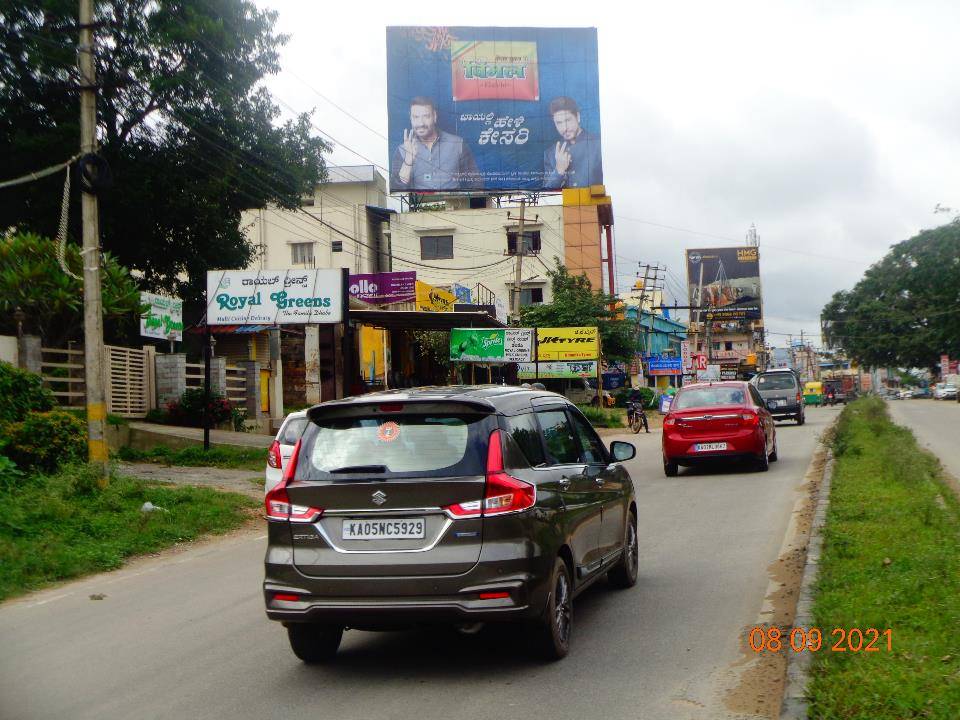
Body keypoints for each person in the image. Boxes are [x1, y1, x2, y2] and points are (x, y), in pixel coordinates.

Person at [391, 96, 480, 191]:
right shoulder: (402, 150)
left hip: (455, 204)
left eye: (426, 116)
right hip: (419, 205)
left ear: (435, 116)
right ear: (410, 119)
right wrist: (408, 162)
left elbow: (476, 182)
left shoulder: (458, 144)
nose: (421, 123)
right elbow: (396, 189)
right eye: (416, 117)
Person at [542, 96, 603, 189]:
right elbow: (546, 193)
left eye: (567, 120)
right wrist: (559, 171)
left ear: (578, 117)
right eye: (559, 123)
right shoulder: (550, 153)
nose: (564, 128)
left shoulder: (599, 145)